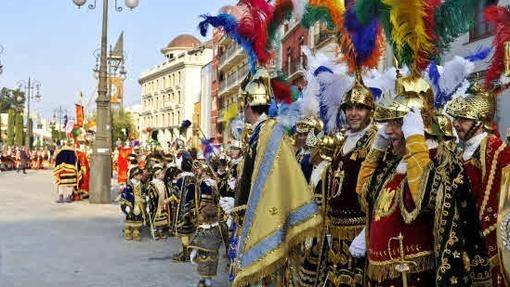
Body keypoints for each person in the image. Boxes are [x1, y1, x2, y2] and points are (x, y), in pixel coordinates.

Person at [356, 75, 490, 286]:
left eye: (397, 122)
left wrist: (415, 140)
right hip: (380, 275)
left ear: (417, 125)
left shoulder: (441, 160)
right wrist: (377, 149)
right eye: (388, 123)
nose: (389, 130)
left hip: (414, 276)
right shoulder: (394, 161)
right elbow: (364, 194)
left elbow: (420, 202)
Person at [219, 69, 322, 286]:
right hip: (248, 217)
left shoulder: (269, 132)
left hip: (265, 219)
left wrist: (244, 207)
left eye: (243, 106)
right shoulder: (259, 132)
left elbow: (268, 184)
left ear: (248, 105)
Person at [446, 82, 510, 286]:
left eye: (463, 120)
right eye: (456, 119)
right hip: (459, 236)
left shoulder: (496, 149)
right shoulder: (458, 151)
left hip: (483, 236)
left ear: (480, 122)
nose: (456, 124)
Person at [189, 204, 229, 287]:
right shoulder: (220, 227)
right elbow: (226, 240)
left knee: (203, 271)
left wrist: (193, 253)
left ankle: (203, 282)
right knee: (210, 271)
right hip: (214, 255)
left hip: (203, 256)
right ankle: (207, 282)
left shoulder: (202, 230)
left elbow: (196, 243)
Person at [171, 151, 198, 262]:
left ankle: (185, 253)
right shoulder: (194, 179)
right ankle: (187, 251)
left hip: (182, 211)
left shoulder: (181, 179)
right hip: (192, 209)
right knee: (188, 231)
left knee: (184, 233)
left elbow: (176, 193)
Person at [120, 167, 146, 241]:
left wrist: (145, 198)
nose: (141, 176)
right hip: (131, 204)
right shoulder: (129, 185)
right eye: (140, 175)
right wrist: (126, 205)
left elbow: (144, 192)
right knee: (130, 218)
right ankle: (128, 231)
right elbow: (125, 195)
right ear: (134, 175)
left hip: (139, 204)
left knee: (138, 218)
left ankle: (136, 232)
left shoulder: (141, 184)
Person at [146, 165, 170, 240]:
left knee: (162, 219)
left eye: (163, 173)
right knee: (155, 219)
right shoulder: (152, 184)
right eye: (161, 174)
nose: (163, 175)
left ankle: (160, 232)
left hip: (162, 204)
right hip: (155, 205)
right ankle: (155, 231)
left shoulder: (162, 183)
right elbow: (149, 194)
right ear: (156, 175)